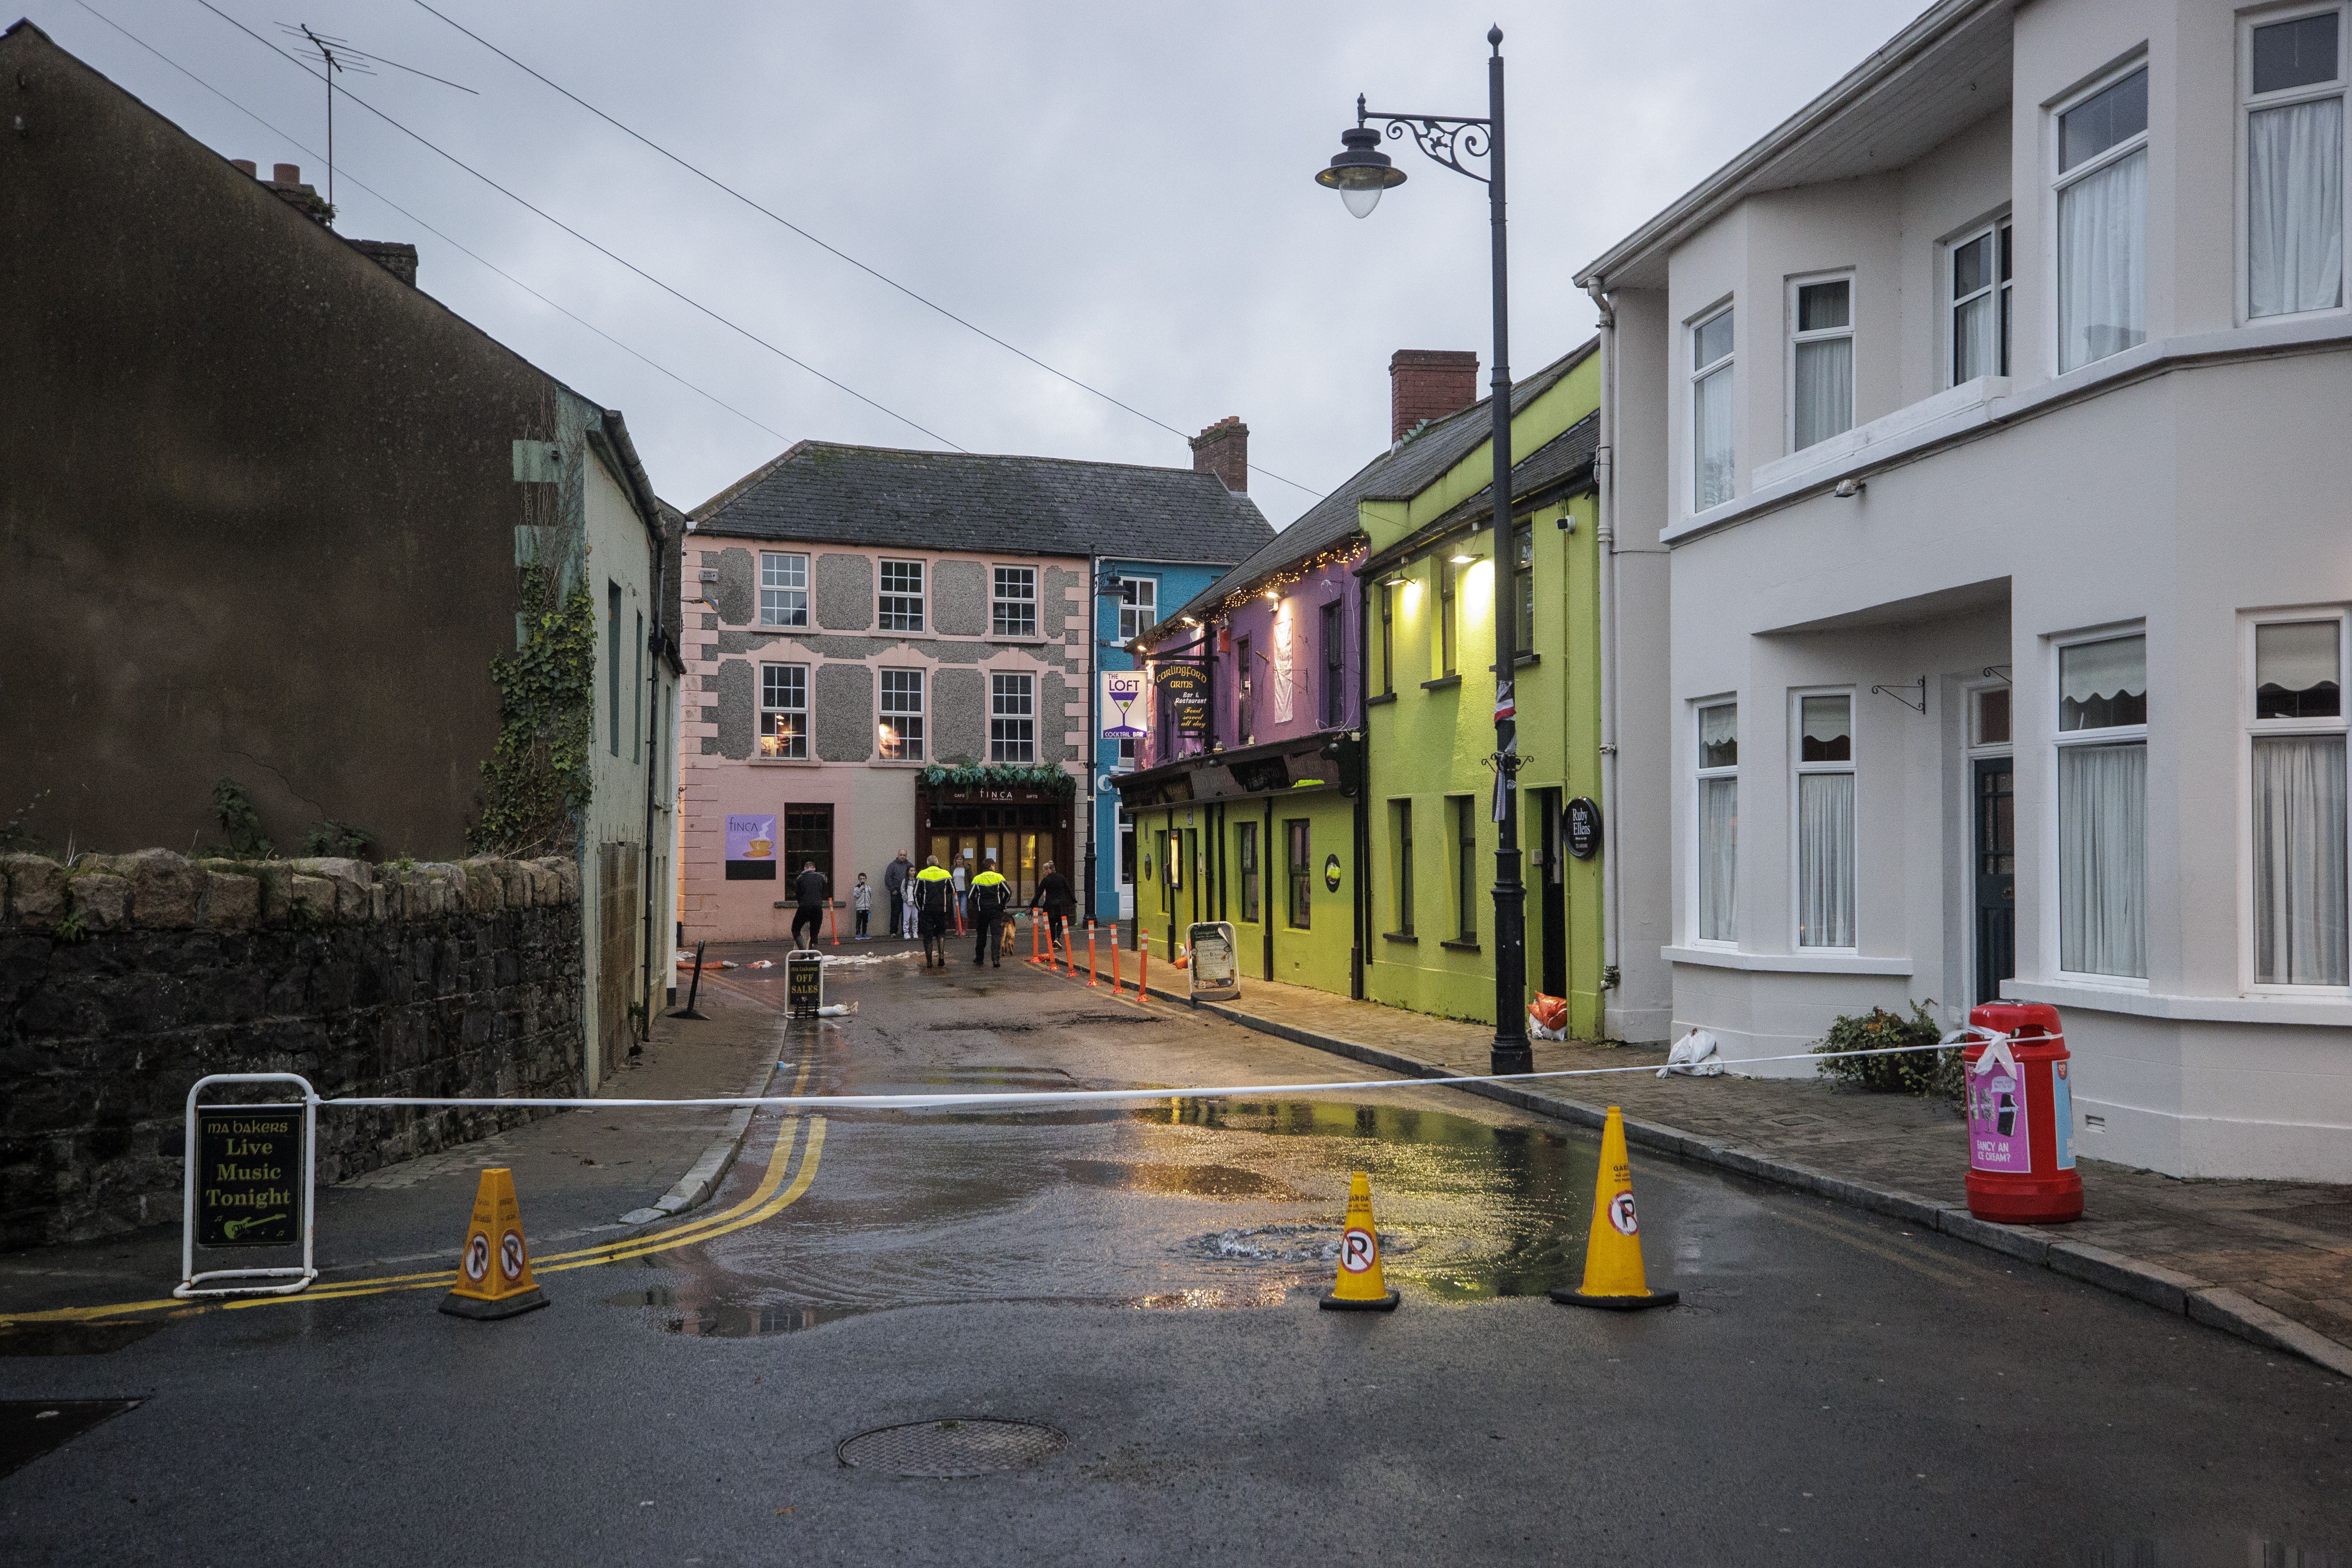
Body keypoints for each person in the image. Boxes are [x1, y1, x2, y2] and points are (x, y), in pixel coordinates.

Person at [967, 863, 1011, 968]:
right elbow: (1009, 893)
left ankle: (979, 959)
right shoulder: (998, 877)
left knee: (981, 935)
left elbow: (970, 896)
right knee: (996, 935)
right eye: (994, 866)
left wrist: (977, 904)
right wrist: (1002, 905)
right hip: (996, 911)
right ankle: (996, 959)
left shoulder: (977, 879)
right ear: (992, 866)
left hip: (982, 911)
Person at [914, 855, 955, 968]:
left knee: (928, 935)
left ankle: (929, 962)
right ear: (938, 863)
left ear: (928, 863)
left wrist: (919, 907)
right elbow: (953, 889)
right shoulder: (946, 873)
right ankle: (941, 956)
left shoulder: (922, 874)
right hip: (942, 908)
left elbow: (916, 893)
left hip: (927, 908)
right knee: (941, 932)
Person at [1031, 860, 1074, 960]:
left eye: (1044, 870)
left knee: (1051, 924)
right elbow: (1068, 890)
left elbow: (1039, 893)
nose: (1043, 872)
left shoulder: (1046, 880)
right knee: (1061, 922)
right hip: (1061, 905)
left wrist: (1032, 904)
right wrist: (1074, 900)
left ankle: (1053, 943)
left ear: (1049, 870)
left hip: (1050, 905)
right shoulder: (1062, 878)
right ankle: (1057, 939)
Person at [790, 860, 827, 949]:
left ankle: (803, 952)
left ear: (804, 868)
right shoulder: (821, 877)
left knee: (795, 930)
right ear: (814, 869)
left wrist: (802, 905)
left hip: (804, 907)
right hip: (818, 908)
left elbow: (798, 895)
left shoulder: (800, 878)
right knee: (814, 934)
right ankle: (812, 955)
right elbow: (823, 892)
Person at [882, 850, 910, 940]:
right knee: (895, 913)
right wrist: (892, 890)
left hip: (906, 893)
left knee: (906, 914)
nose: (903, 857)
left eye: (904, 855)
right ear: (898, 855)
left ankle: (905, 932)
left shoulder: (909, 865)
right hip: (896, 893)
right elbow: (888, 878)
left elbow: (913, 877)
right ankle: (893, 932)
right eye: (901, 855)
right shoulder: (893, 866)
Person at [852, 873, 872, 940]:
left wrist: (870, 906)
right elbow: (855, 896)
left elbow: (870, 898)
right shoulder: (857, 888)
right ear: (859, 880)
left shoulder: (869, 888)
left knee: (865, 921)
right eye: (861, 879)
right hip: (860, 907)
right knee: (859, 921)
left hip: (867, 907)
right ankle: (858, 934)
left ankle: (864, 933)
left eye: (864, 879)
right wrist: (860, 890)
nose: (862, 880)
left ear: (866, 879)